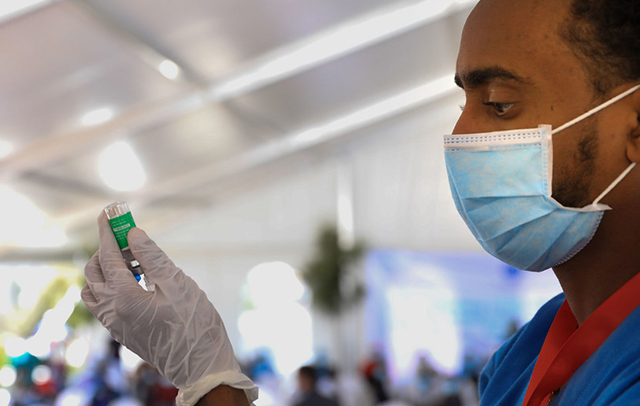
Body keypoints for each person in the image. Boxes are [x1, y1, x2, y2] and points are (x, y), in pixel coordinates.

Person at [82, 0, 640, 405]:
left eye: (498, 104)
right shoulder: (529, 354)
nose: (461, 134)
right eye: (464, 100)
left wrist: (208, 381)